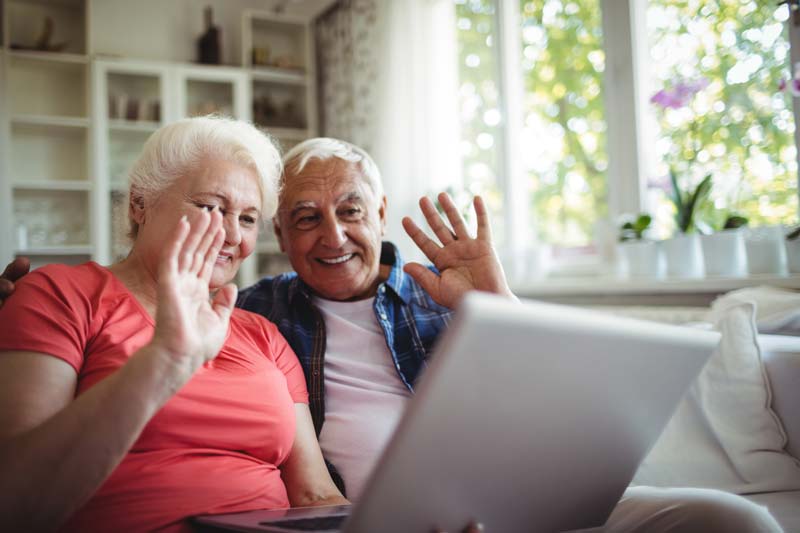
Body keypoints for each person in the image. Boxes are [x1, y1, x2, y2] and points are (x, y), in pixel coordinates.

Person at [2, 137, 783, 532]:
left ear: (381, 215)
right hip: (404, 520)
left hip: (525, 502)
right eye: (303, 217)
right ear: (283, 234)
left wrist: (498, 301)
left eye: (350, 210)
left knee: (732, 519)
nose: (331, 233)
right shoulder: (259, 309)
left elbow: (570, 410)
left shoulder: (443, 292)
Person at [0, 117, 347, 532]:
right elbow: (16, 501)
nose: (232, 234)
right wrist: (165, 359)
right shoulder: (61, 295)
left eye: (249, 219)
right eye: (210, 207)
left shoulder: (263, 335)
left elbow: (316, 497)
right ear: (139, 204)